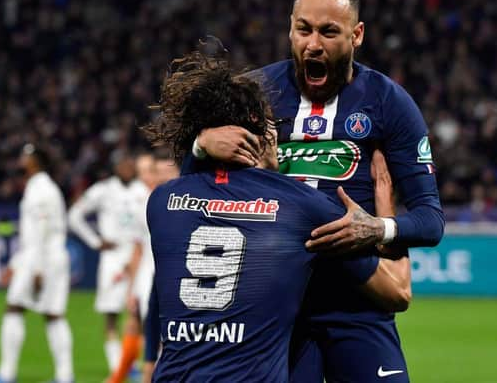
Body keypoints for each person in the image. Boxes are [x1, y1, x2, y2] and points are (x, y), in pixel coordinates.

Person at [188, 0, 444, 382]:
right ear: (290, 26)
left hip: (358, 306)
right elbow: (190, 184)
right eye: (303, 29)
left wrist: (378, 227)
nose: (313, 44)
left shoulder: (388, 102)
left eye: (329, 32)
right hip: (276, 310)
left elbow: (431, 222)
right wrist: (201, 145)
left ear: (356, 34)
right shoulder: (253, 93)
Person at [143, 51, 411, 382]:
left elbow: (193, 181)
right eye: (274, 124)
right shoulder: (300, 207)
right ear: (258, 132)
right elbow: (398, 291)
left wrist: (200, 143)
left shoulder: (162, 202)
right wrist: (384, 203)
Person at [0, 144, 73, 383]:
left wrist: (37, 269)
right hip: (42, 258)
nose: (22, 159)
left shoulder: (42, 189)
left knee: (16, 307)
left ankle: (7, 374)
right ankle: (64, 376)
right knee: (52, 314)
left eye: (27, 155)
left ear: (36, 161)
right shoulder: (38, 187)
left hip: (44, 259)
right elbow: (32, 234)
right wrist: (16, 264)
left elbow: (42, 232)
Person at [67, 151, 147, 373]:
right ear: (115, 167)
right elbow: (74, 215)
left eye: (130, 163)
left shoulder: (143, 190)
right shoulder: (103, 190)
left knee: (137, 311)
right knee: (111, 313)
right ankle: (118, 367)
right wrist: (95, 241)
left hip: (138, 254)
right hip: (112, 256)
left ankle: (132, 362)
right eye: (123, 164)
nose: (127, 168)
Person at [108, 152, 179, 383]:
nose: (160, 177)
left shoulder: (185, 203)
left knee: (161, 334)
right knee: (137, 326)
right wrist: (131, 287)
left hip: (169, 276)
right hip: (146, 276)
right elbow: (138, 247)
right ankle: (122, 376)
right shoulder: (146, 204)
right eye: (156, 172)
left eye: (165, 171)